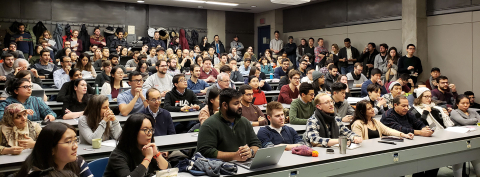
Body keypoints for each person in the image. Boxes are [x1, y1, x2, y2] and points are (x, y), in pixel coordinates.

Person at [196, 88, 261, 161]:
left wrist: (250, 152)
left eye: (240, 102)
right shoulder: (209, 124)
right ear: (225, 105)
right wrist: (234, 156)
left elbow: (256, 144)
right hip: (218, 168)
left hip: (242, 165)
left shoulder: (244, 122)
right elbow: (206, 151)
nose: (240, 106)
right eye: (236, 103)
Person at [16, 122, 92, 177]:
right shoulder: (35, 173)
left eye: (75, 140)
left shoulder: (78, 162)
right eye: (69, 141)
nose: (75, 146)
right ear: (51, 149)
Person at [104, 113, 169, 177]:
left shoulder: (147, 149)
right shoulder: (118, 155)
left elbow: (168, 171)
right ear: (133, 132)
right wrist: (148, 158)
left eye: (151, 129)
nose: (150, 133)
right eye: (145, 130)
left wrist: (157, 154)